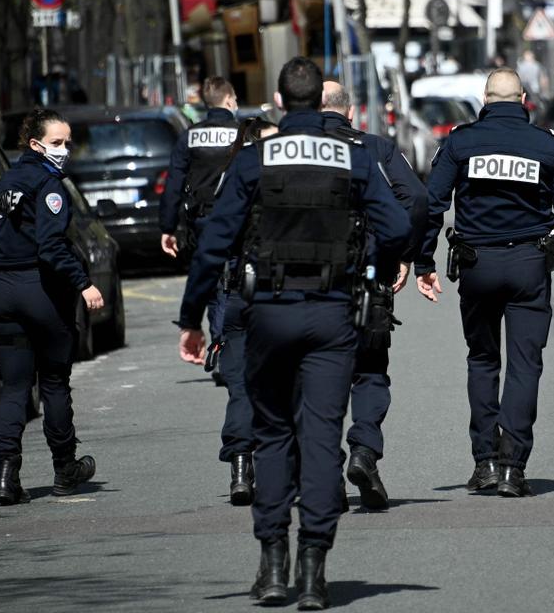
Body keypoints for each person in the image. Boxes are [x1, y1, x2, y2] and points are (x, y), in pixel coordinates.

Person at [175, 57, 410, 608]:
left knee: (274, 435)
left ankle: (273, 563)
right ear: (320, 101)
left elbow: (214, 241)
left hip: (269, 314)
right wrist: (371, 271)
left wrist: (191, 320)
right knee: (322, 438)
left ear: (279, 102)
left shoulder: (254, 158)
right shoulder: (351, 155)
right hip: (332, 316)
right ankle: (313, 570)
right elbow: (398, 224)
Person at [415, 68, 554, 497]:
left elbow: (431, 203)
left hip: (477, 266)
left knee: (482, 360)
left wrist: (423, 262)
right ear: (524, 98)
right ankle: (514, 466)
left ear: (485, 99)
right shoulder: (547, 146)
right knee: (525, 365)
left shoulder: (460, 142)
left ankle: (485, 462)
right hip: (529, 265)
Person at [317, 80, 427, 510]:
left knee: (317, 378)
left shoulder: (290, 148)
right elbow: (415, 197)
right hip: (366, 279)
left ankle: (326, 476)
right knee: (369, 371)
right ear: (349, 113)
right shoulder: (373, 147)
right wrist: (401, 254)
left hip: (304, 285)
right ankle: (363, 450)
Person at [0, 108, 103, 505]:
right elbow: (51, 245)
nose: (65, 150)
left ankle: (6, 475)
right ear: (35, 144)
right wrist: (83, 283)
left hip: (2, 291)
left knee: (14, 387)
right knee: (53, 383)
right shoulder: (48, 185)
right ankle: (65, 469)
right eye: (57, 143)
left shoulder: (5, 181)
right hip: (39, 292)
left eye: (67, 142)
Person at [181, 116, 279, 507]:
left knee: (241, 387)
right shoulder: (288, 178)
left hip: (239, 293)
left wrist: (191, 317)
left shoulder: (232, 179)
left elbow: (211, 243)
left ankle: (241, 464)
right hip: (277, 296)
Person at [160, 77, 241, 342]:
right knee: (237, 282)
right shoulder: (243, 133)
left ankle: (218, 339)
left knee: (212, 281)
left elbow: (173, 183)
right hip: (237, 221)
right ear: (229, 100)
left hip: (202, 220)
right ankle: (230, 340)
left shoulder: (190, 136)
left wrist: (167, 227)